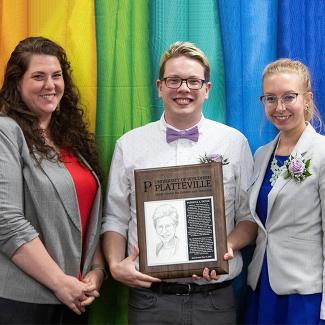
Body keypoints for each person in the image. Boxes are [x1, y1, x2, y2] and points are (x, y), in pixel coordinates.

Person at [102, 41, 257, 325]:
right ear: (160, 87)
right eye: (174, 80)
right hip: (150, 300)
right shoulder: (130, 144)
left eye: (193, 81)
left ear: (207, 89)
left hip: (215, 300)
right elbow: (115, 217)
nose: (183, 89)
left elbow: (248, 218)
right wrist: (114, 265)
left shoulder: (234, 143)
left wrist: (225, 248)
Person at [0, 36, 105, 325]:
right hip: (23, 303)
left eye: (56, 76)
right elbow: (6, 220)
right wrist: (60, 282)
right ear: (16, 83)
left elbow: (88, 217)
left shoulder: (70, 139)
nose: (50, 85)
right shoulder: (6, 131)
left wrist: (97, 271)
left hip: (75, 298)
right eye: (38, 76)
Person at [245, 58, 325, 324]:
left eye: (289, 97)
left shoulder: (322, 153)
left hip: (305, 294)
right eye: (270, 98)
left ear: (307, 99)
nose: (279, 107)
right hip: (262, 285)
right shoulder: (261, 155)